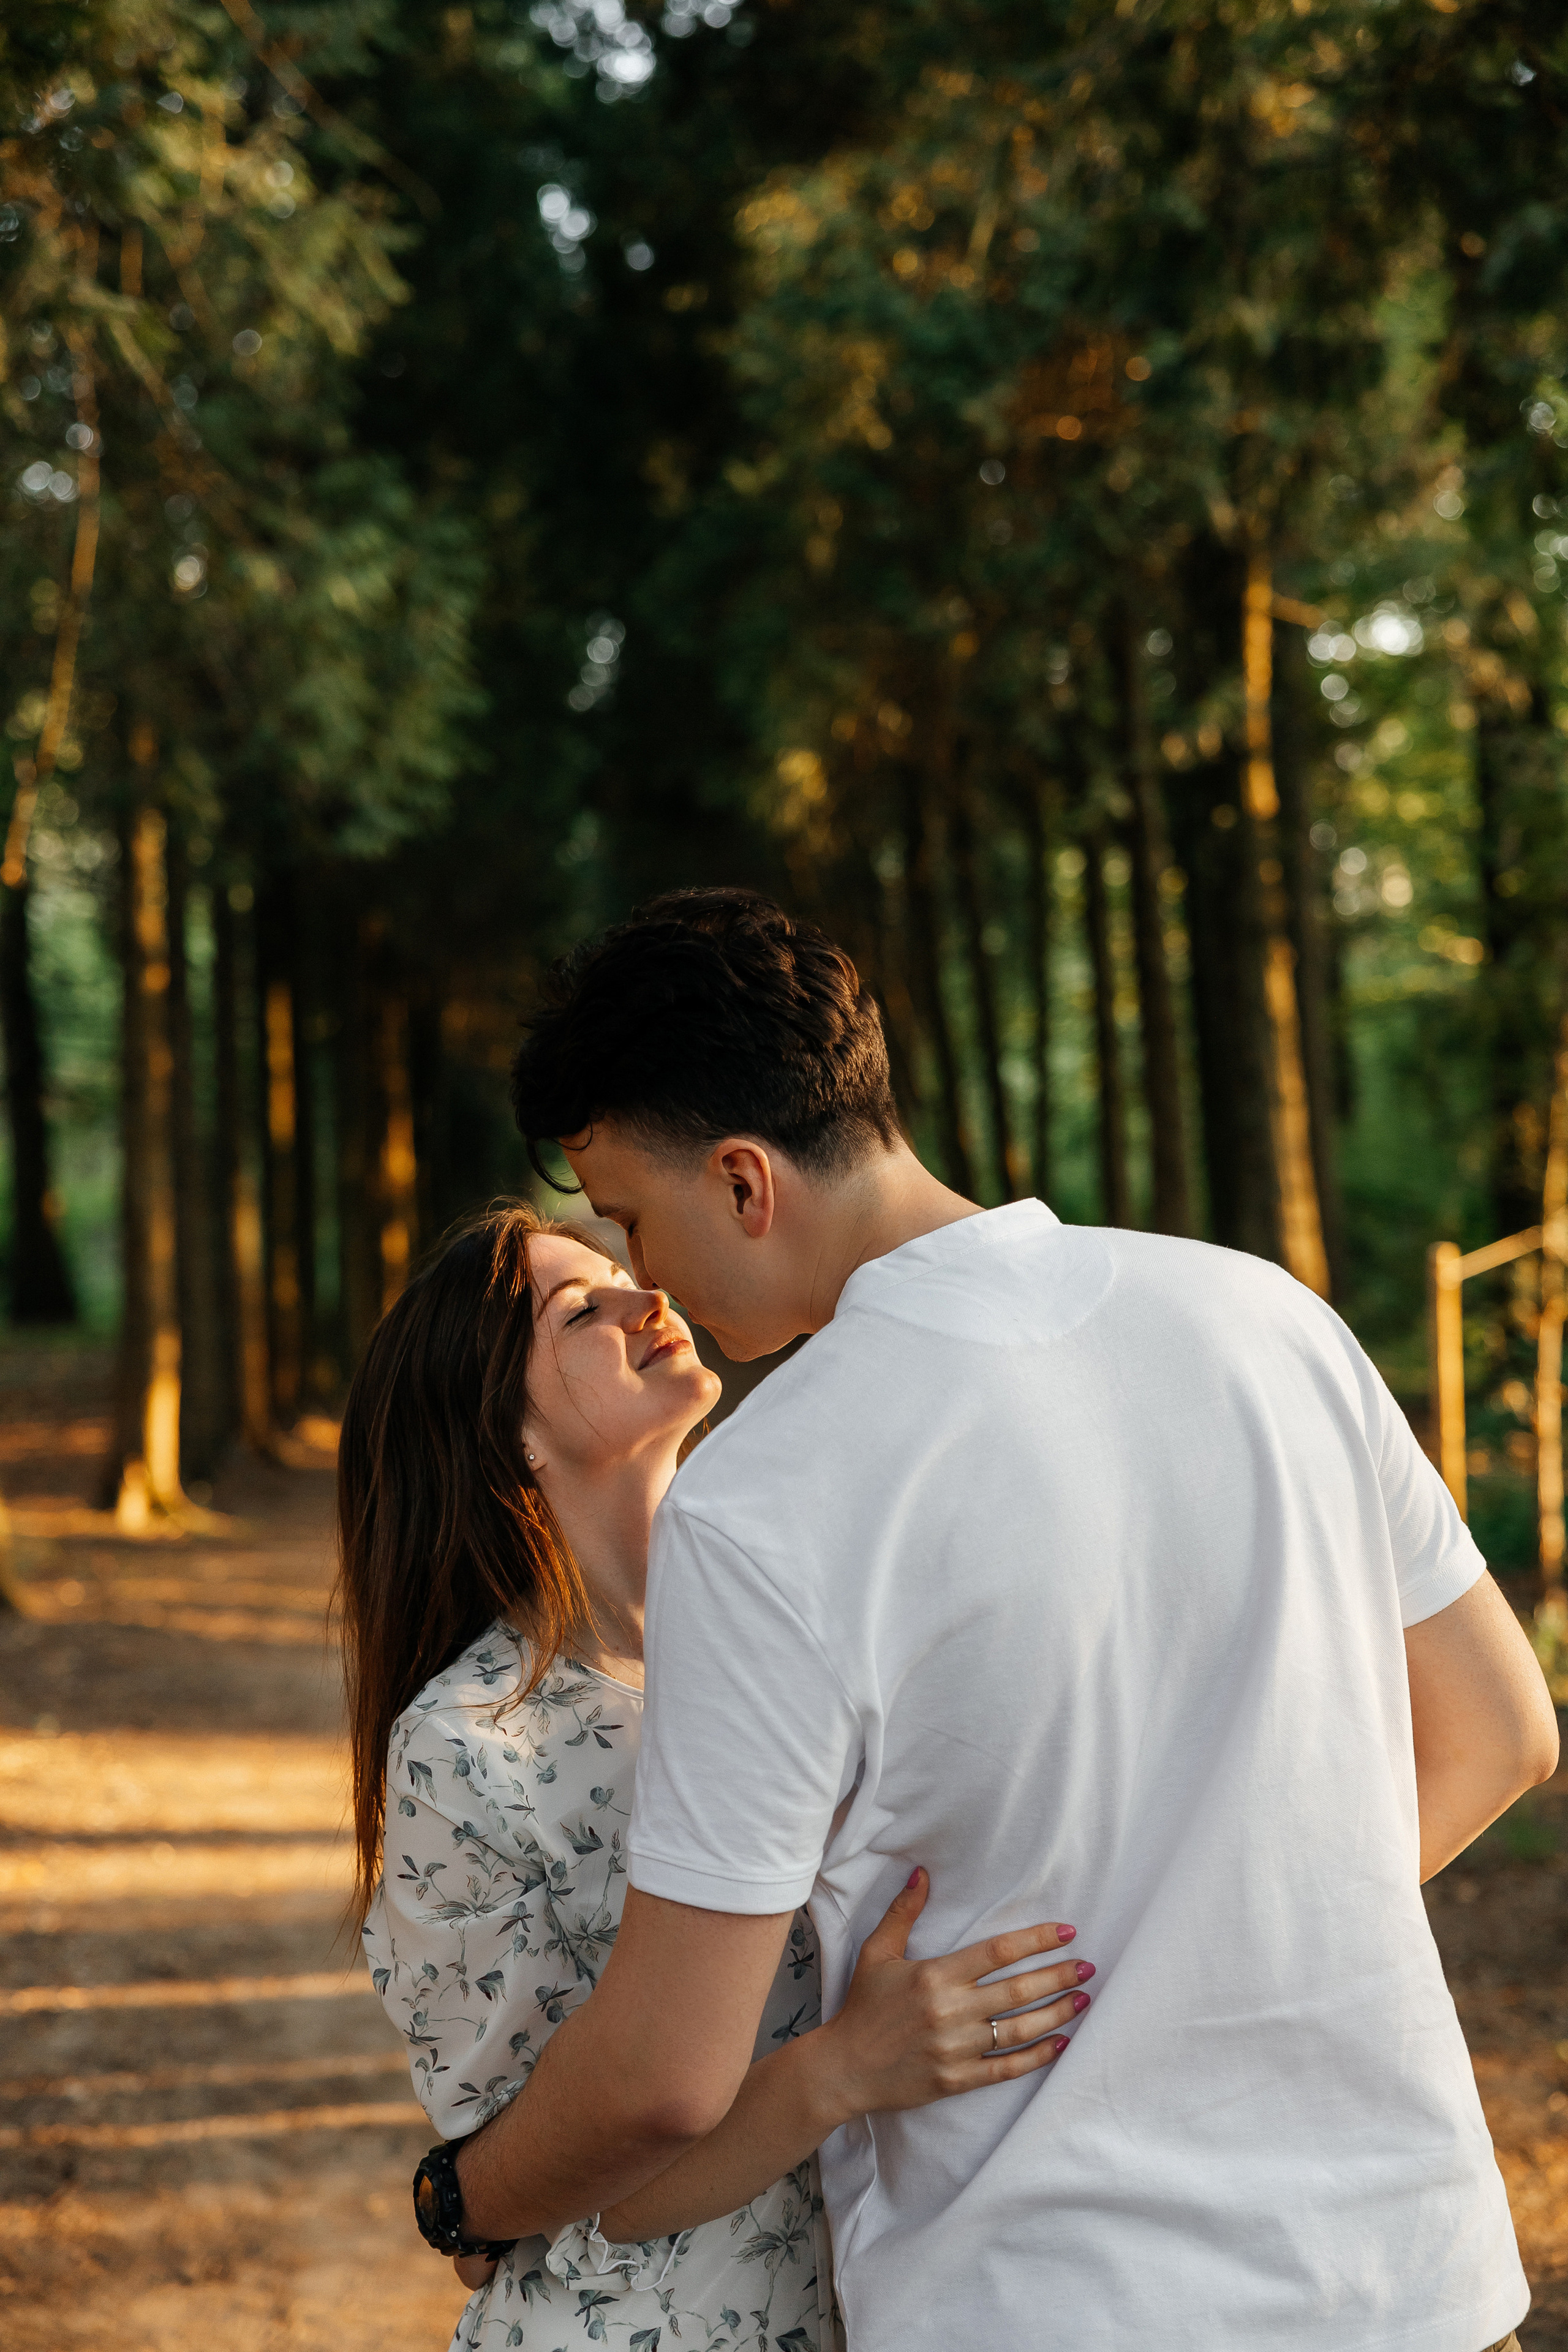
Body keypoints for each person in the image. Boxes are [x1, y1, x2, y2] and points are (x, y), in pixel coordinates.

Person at [445, 888, 1558, 2352]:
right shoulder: (1265, 1317)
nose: (642, 1277)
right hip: (1407, 2273)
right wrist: (1225, 1930)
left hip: (1057, 2297)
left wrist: (461, 2197)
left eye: (638, 1222)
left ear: (741, 1180)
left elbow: (665, 2071)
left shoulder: (768, 1496)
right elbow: (1499, 1734)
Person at [337, 1202, 1091, 2352]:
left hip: (913, 2299)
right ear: (510, 1435)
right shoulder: (472, 1749)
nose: (651, 1296)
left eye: (624, 1266)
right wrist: (836, 2073)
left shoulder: (799, 1630)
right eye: (581, 1310)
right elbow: (531, 2191)